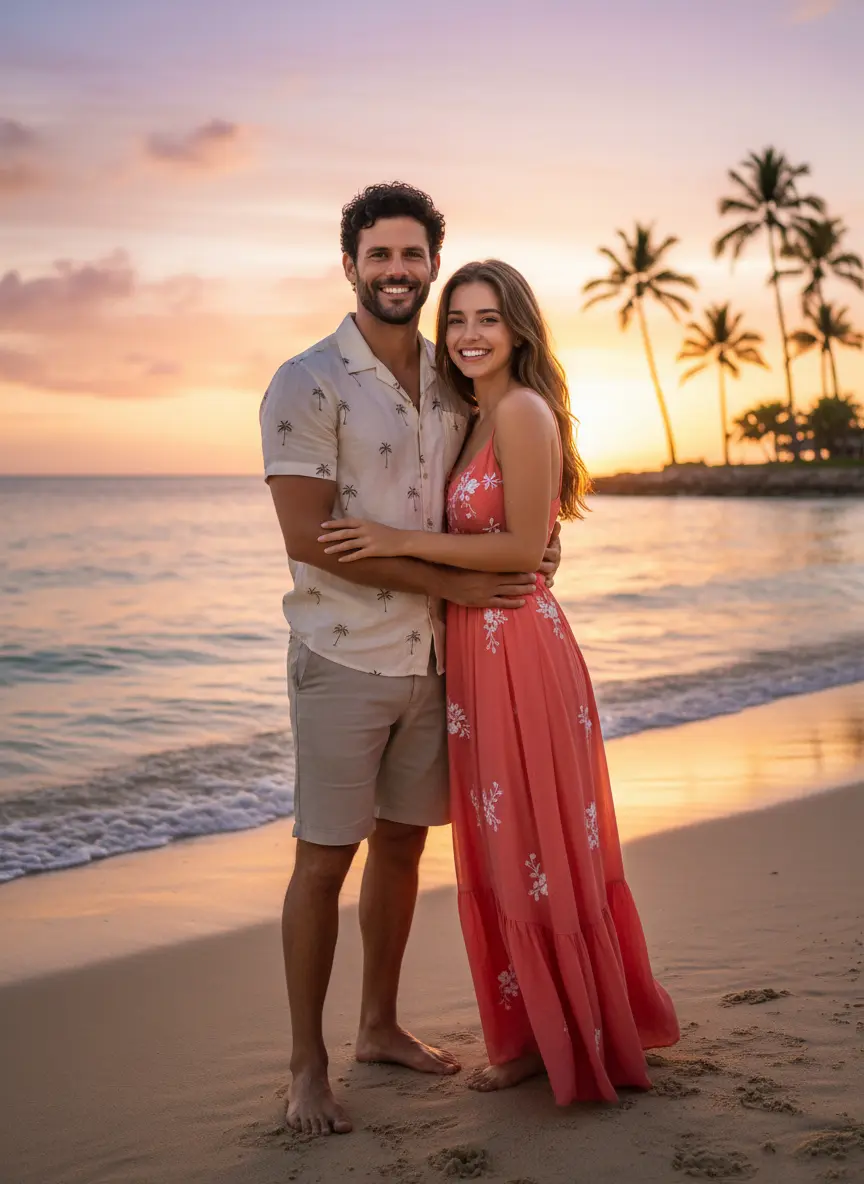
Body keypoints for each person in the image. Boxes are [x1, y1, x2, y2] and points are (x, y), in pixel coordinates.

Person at [321, 259, 680, 1105]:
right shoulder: (475, 415)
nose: (469, 334)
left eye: (487, 318)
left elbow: (522, 550)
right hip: (475, 651)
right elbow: (526, 539)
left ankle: (572, 1032)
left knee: (537, 845)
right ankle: (528, 1034)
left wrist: (391, 543)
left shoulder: (520, 410)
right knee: (501, 848)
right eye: (457, 321)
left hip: (518, 646)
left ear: (519, 327)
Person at [260, 187, 561, 1136]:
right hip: (345, 654)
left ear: (433, 264)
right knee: (323, 859)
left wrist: (531, 549)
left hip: (440, 662)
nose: (398, 271)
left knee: (403, 845)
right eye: (379, 255)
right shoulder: (305, 381)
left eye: (413, 257)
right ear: (350, 264)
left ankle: (379, 1027)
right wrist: (460, 586)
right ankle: (308, 1065)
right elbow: (310, 538)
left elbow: (500, 501)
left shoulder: (456, 374)